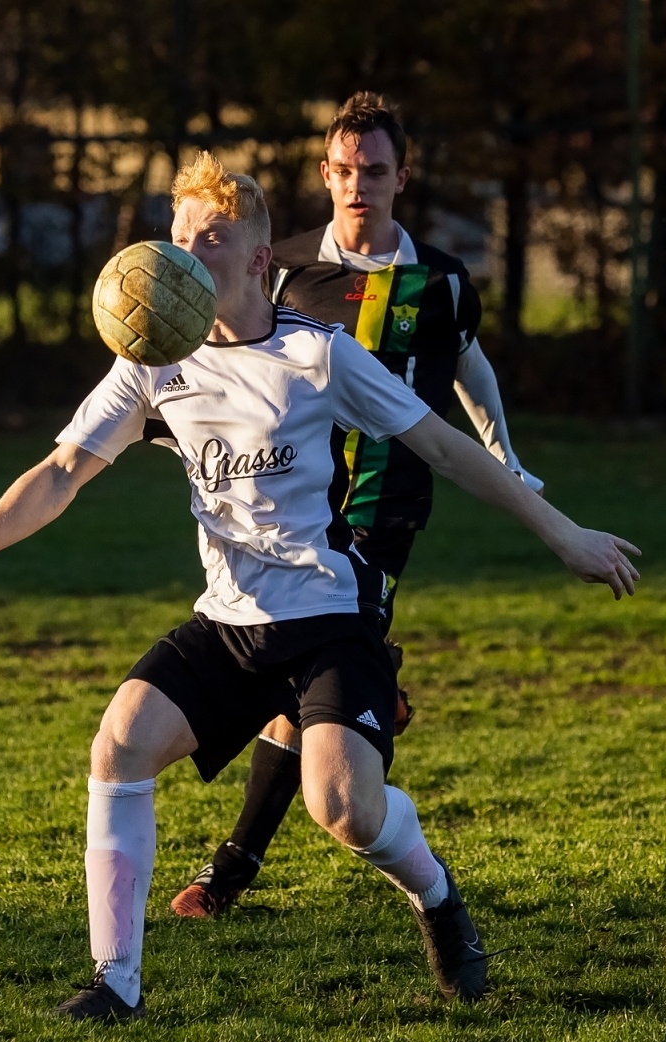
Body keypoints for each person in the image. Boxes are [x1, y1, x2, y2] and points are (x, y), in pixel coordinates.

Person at [0, 151, 640, 1022]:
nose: (184, 256)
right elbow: (61, 472)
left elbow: (441, 444)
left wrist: (563, 532)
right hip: (228, 622)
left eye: (210, 239)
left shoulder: (317, 356)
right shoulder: (151, 366)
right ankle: (115, 983)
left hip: (329, 618)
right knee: (120, 743)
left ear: (256, 260)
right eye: (176, 239)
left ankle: (436, 894)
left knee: (345, 810)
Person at [171, 91, 544, 919]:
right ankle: (373, 685)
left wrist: (504, 453)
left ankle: (231, 868)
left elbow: (466, 365)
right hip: (294, 504)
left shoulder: (441, 282)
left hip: (383, 509)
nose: (357, 185)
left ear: (400, 176)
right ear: (324, 173)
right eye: (343, 169)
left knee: (299, 679)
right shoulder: (286, 264)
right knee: (299, 681)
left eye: (374, 170)